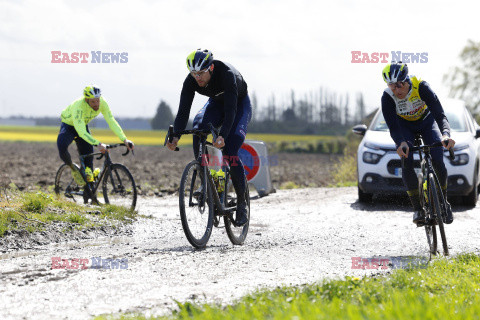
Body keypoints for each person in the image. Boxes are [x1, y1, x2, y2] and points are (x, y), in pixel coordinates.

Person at [166, 49, 252, 227]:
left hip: (238, 105)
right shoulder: (191, 81)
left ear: (211, 67)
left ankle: (242, 203)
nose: (198, 78)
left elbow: (230, 111)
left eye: (201, 73)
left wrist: (222, 135)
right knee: (198, 128)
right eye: (194, 74)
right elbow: (183, 111)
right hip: (215, 104)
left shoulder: (226, 75)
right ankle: (207, 181)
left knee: (230, 150)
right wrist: (175, 136)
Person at [381, 62, 455, 226]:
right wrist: (400, 143)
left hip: (426, 122)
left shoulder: (421, 87)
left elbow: (440, 115)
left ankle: (444, 202)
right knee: (406, 160)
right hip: (404, 127)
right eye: (392, 87)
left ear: (406, 81)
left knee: (437, 158)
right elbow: (393, 127)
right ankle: (417, 209)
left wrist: (446, 135)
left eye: (399, 86)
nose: (397, 91)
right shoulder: (387, 97)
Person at [57, 86, 134, 185]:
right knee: (62, 147)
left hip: (82, 126)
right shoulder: (78, 106)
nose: (96, 104)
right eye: (93, 102)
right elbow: (81, 132)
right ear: (86, 100)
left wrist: (124, 139)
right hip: (69, 126)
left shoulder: (103, 103)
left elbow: (111, 121)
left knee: (88, 162)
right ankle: (73, 169)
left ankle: (90, 192)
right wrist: (98, 144)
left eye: (97, 101)